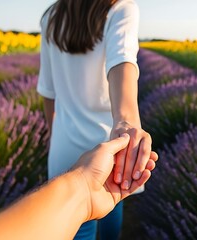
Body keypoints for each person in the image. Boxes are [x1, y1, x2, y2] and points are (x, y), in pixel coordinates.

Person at [37, 0, 150, 239]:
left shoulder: (51, 16)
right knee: (111, 208)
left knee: (77, 228)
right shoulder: (120, 8)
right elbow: (122, 62)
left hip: (64, 149)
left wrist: (52, 133)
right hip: (109, 150)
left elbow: (48, 92)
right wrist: (125, 123)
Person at [0, 134, 159, 240]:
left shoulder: (49, 42)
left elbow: (49, 96)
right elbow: (125, 83)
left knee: (78, 228)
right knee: (111, 213)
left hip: (67, 147)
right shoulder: (117, 43)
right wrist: (127, 132)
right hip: (109, 156)